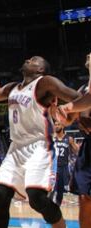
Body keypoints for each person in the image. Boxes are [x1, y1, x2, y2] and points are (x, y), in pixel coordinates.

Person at [0, 56, 81, 228]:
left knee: (36, 199)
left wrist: (72, 116)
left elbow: (75, 96)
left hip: (39, 145)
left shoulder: (45, 82)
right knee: (0, 197)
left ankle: (60, 225)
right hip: (15, 147)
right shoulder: (12, 87)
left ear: (41, 69)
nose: (27, 59)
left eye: (33, 60)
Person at [57, 53, 91, 228]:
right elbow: (69, 119)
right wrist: (58, 114)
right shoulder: (82, 90)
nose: (88, 55)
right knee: (84, 198)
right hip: (88, 147)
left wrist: (68, 107)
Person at [52, 121, 79, 206]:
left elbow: (77, 151)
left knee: (64, 189)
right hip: (54, 167)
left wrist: (74, 144)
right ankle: (51, 205)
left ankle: (58, 205)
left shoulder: (68, 138)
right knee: (52, 188)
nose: (56, 126)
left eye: (58, 124)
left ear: (62, 126)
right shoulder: (52, 138)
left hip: (64, 167)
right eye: (55, 125)